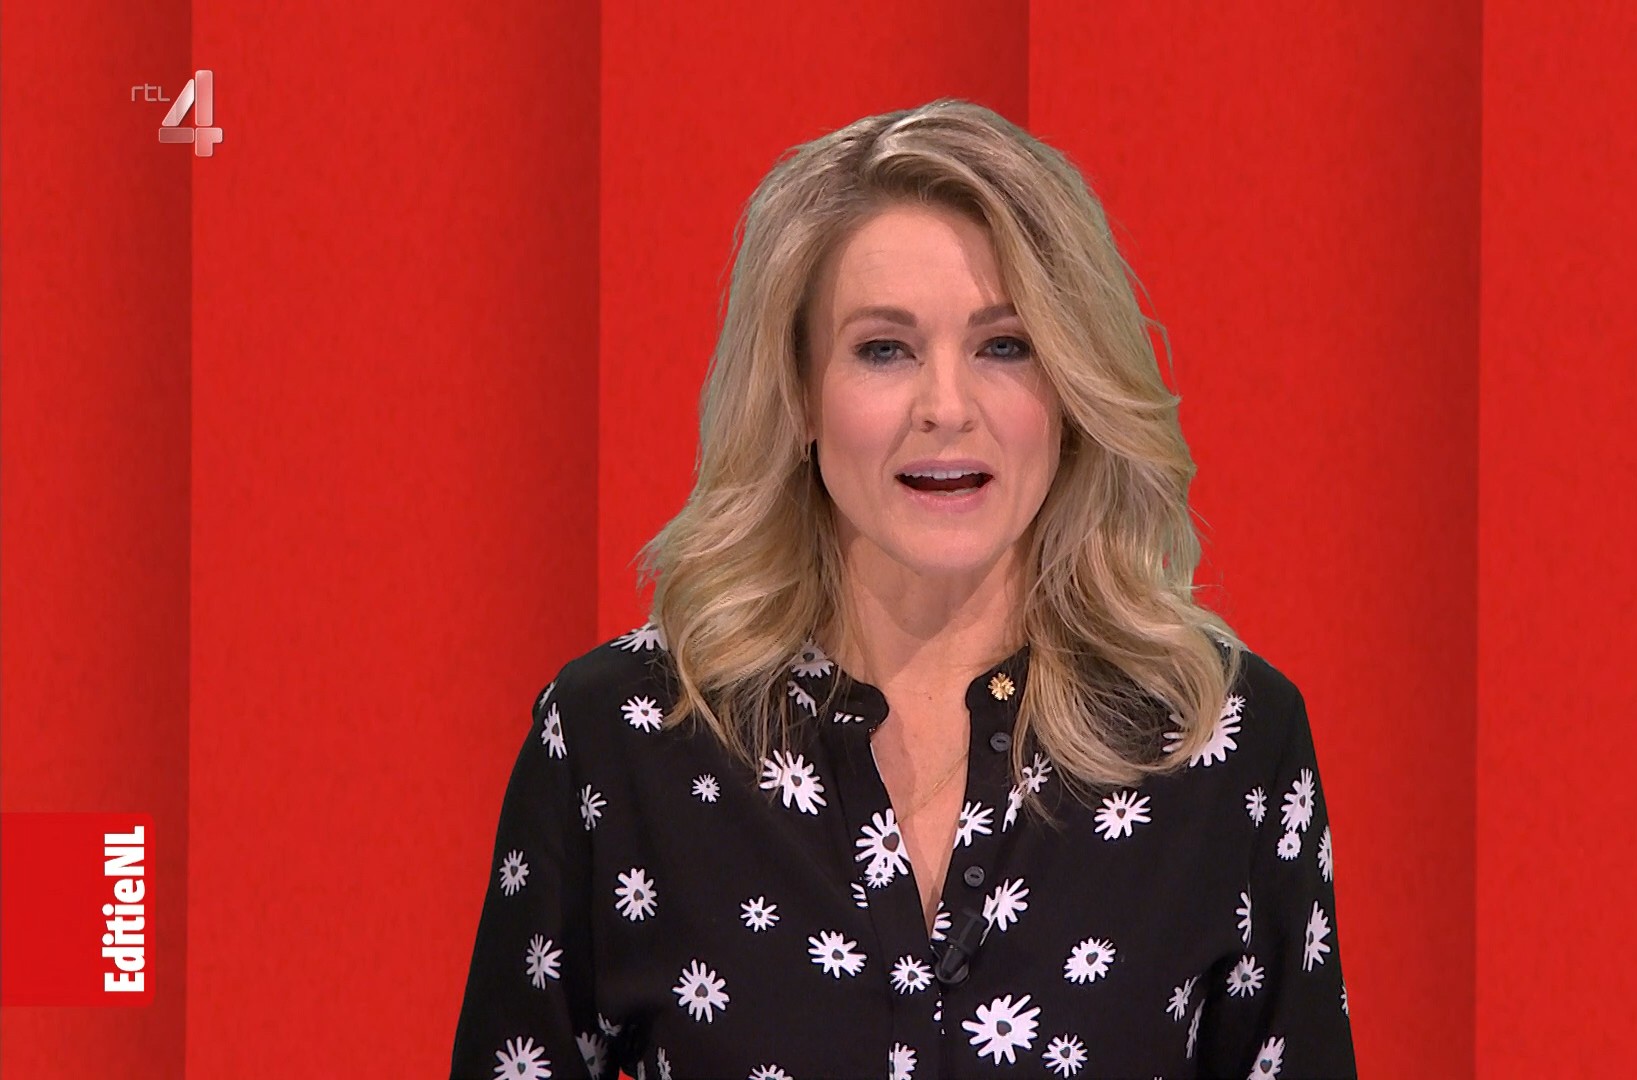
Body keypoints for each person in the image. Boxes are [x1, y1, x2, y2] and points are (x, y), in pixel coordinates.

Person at [450, 98, 1356, 1080]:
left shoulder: (1222, 740)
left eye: (1005, 345)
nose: (946, 408)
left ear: (1072, 389)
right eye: (885, 349)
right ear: (799, 392)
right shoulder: (619, 740)